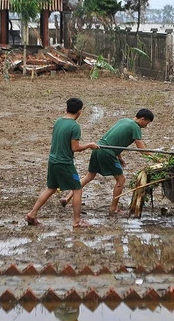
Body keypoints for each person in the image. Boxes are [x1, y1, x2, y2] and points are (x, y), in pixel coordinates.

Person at [60, 109, 154, 216]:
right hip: (107, 152)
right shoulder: (136, 127)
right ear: (142, 119)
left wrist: (119, 157)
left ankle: (66, 198)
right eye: (148, 122)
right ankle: (114, 209)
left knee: (89, 176)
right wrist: (155, 158)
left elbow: (115, 139)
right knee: (121, 180)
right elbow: (140, 147)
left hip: (98, 148)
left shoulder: (124, 121)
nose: (147, 125)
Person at [25, 97, 99, 228]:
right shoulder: (75, 126)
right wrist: (89, 145)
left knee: (51, 188)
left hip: (52, 160)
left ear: (66, 109)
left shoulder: (58, 121)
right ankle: (77, 221)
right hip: (64, 163)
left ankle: (32, 213)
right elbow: (75, 148)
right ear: (80, 112)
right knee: (77, 189)